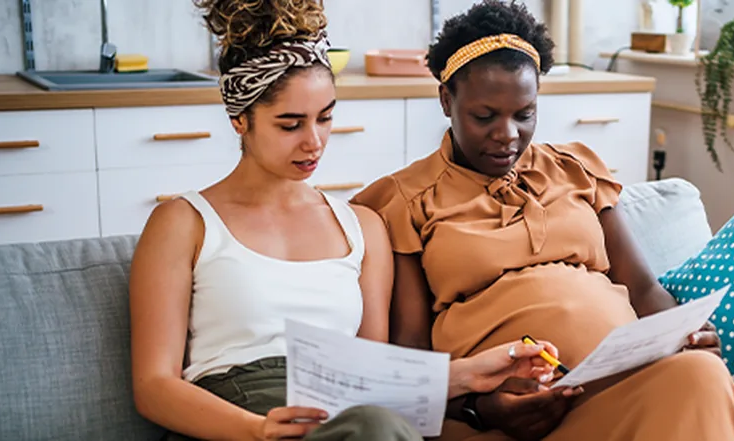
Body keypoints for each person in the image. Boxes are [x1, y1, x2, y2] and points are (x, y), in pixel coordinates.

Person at [128, 1, 565, 440]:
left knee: (380, 423)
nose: (314, 142)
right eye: (290, 124)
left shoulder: (363, 227)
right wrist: (257, 429)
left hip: (346, 420)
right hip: (233, 417)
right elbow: (154, 386)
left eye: (326, 117)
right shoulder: (183, 223)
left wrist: (474, 373)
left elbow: (374, 379)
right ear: (240, 120)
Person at [349, 1, 734, 440]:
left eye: (525, 114)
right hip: (513, 413)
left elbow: (642, 289)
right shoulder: (406, 201)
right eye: (484, 117)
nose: (507, 134)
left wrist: (686, 337)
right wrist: (478, 407)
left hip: (623, 386)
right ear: (447, 100)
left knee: (700, 374)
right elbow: (410, 348)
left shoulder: (576, 169)